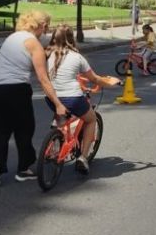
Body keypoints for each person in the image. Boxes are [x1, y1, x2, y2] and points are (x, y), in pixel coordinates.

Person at [0, 10, 67, 187]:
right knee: (24, 127)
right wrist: (58, 103)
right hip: (16, 87)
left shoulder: (12, 38)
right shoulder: (34, 44)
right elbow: (43, 78)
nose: (46, 31)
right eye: (46, 27)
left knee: (0, 129)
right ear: (42, 26)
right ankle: (24, 168)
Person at [45, 24, 121, 175]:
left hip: (51, 97)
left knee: (60, 116)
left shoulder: (49, 54)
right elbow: (95, 79)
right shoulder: (77, 57)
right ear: (71, 38)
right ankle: (83, 157)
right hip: (72, 98)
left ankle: (54, 146)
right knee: (91, 119)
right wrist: (112, 82)